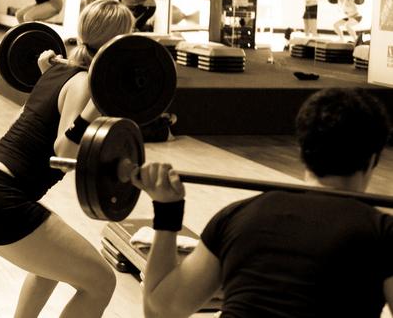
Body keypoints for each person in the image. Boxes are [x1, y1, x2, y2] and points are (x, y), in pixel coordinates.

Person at [138, 87, 393, 317]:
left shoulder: (237, 216)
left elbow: (159, 310)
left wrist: (167, 209)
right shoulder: (382, 232)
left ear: (302, 150)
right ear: (373, 159)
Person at [0, 0, 135, 317]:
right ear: (117, 44)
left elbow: (31, 121)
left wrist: (48, 77)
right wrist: (93, 108)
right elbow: (63, 153)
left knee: (50, 266)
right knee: (101, 282)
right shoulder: (84, 83)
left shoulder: (57, 72)